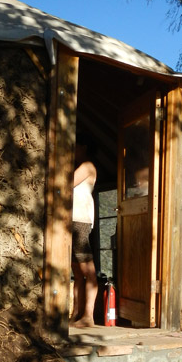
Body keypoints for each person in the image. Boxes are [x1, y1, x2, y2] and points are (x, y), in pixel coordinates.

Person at [71, 138, 98, 328]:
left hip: (80, 221)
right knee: (77, 273)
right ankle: (75, 314)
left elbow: (67, 182)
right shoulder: (80, 165)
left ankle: (88, 316)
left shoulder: (88, 166)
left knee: (88, 272)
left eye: (76, 144)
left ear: (85, 146)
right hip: (71, 221)